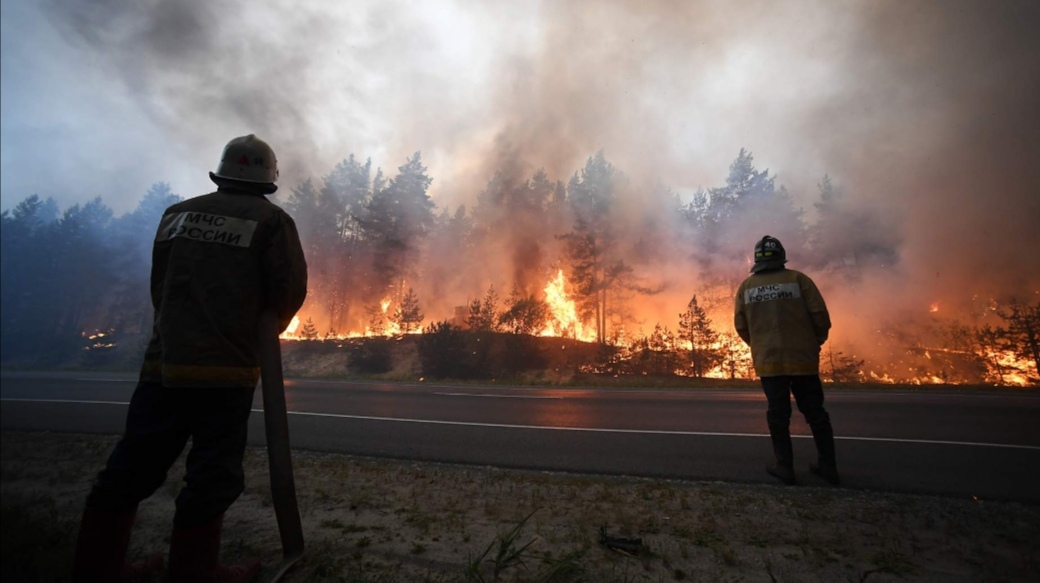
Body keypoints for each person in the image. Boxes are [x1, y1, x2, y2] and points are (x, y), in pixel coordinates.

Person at [72, 134, 308, 582]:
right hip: (226, 372)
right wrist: (259, 334)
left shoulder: (175, 215)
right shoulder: (272, 221)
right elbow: (287, 293)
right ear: (268, 178)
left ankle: (96, 570)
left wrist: (176, 332)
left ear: (221, 172)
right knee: (211, 475)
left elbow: (160, 286)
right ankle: (195, 571)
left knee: (131, 467)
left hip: (163, 367)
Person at [734, 235, 839, 486]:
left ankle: (785, 468)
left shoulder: (747, 287)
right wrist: (815, 341)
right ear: (782, 257)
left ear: (757, 261)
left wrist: (759, 345)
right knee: (816, 413)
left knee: (778, 415)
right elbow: (820, 316)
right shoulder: (799, 280)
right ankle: (828, 467)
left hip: (770, 363)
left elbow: (741, 326)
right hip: (803, 360)